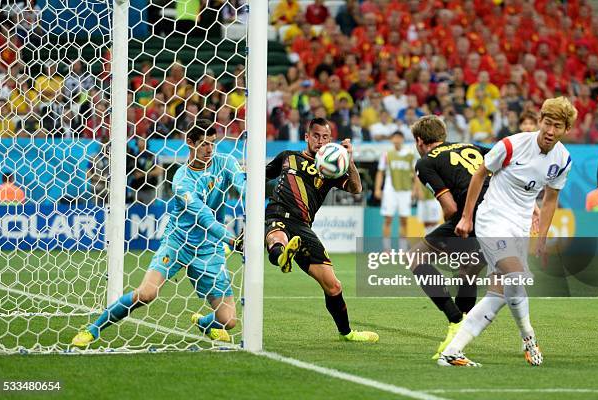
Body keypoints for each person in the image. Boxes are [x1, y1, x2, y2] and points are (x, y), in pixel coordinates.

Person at [72, 119, 245, 347]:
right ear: (190, 143)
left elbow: (243, 185)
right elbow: (204, 217)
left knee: (229, 320)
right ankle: (92, 329)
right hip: (177, 243)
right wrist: (233, 240)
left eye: (212, 143)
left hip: (208, 248)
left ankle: (204, 323)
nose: (209, 149)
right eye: (203, 144)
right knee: (146, 294)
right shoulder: (182, 180)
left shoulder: (226, 162)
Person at [441, 97, 578, 367]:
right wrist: (467, 217)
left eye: (557, 126)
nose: (550, 131)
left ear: (566, 130)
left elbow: (550, 199)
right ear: (539, 121)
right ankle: (528, 336)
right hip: (492, 220)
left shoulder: (563, 159)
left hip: (518, 227)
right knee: (515, 275)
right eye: (547, 123)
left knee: (501, 293)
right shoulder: (511, 145)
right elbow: (480, 174)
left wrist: (541, 238)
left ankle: (453, 352)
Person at [264, 118, 378, 342]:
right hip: (277, 213)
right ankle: (281, 257)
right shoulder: (288, 156)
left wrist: (349, 161)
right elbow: (261, 176)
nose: (320, 141)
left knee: (333, 285)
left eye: (325, 137)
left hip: (303, 226)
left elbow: (356, 188)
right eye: (316, 136)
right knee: (277, 237)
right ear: (307, 137)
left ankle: (347, 333)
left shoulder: (331, 168)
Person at [410, 115, 490, 359]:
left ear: (420, 140)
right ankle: (459, 337)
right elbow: (505, 161)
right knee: (468, 269)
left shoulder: (425, 162)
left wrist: (451, 233)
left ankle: (455, 320)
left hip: (471, 214)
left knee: (416, 258)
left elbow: (450, 208)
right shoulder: (472, 146)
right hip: (499, 213)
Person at [374, 131, 415, 251]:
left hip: (405, 190)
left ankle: (403, 249)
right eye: (394, 138)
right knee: (388, 219)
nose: (397, 140)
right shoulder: (387, 154)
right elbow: (380, 172)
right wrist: (377, 188)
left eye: (399, 138)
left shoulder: (410, 154)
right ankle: (387, 249)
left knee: (404, 220)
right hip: (390, 190)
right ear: (392, 140)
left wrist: (414, 189)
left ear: (402, 139)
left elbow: (414, 174)